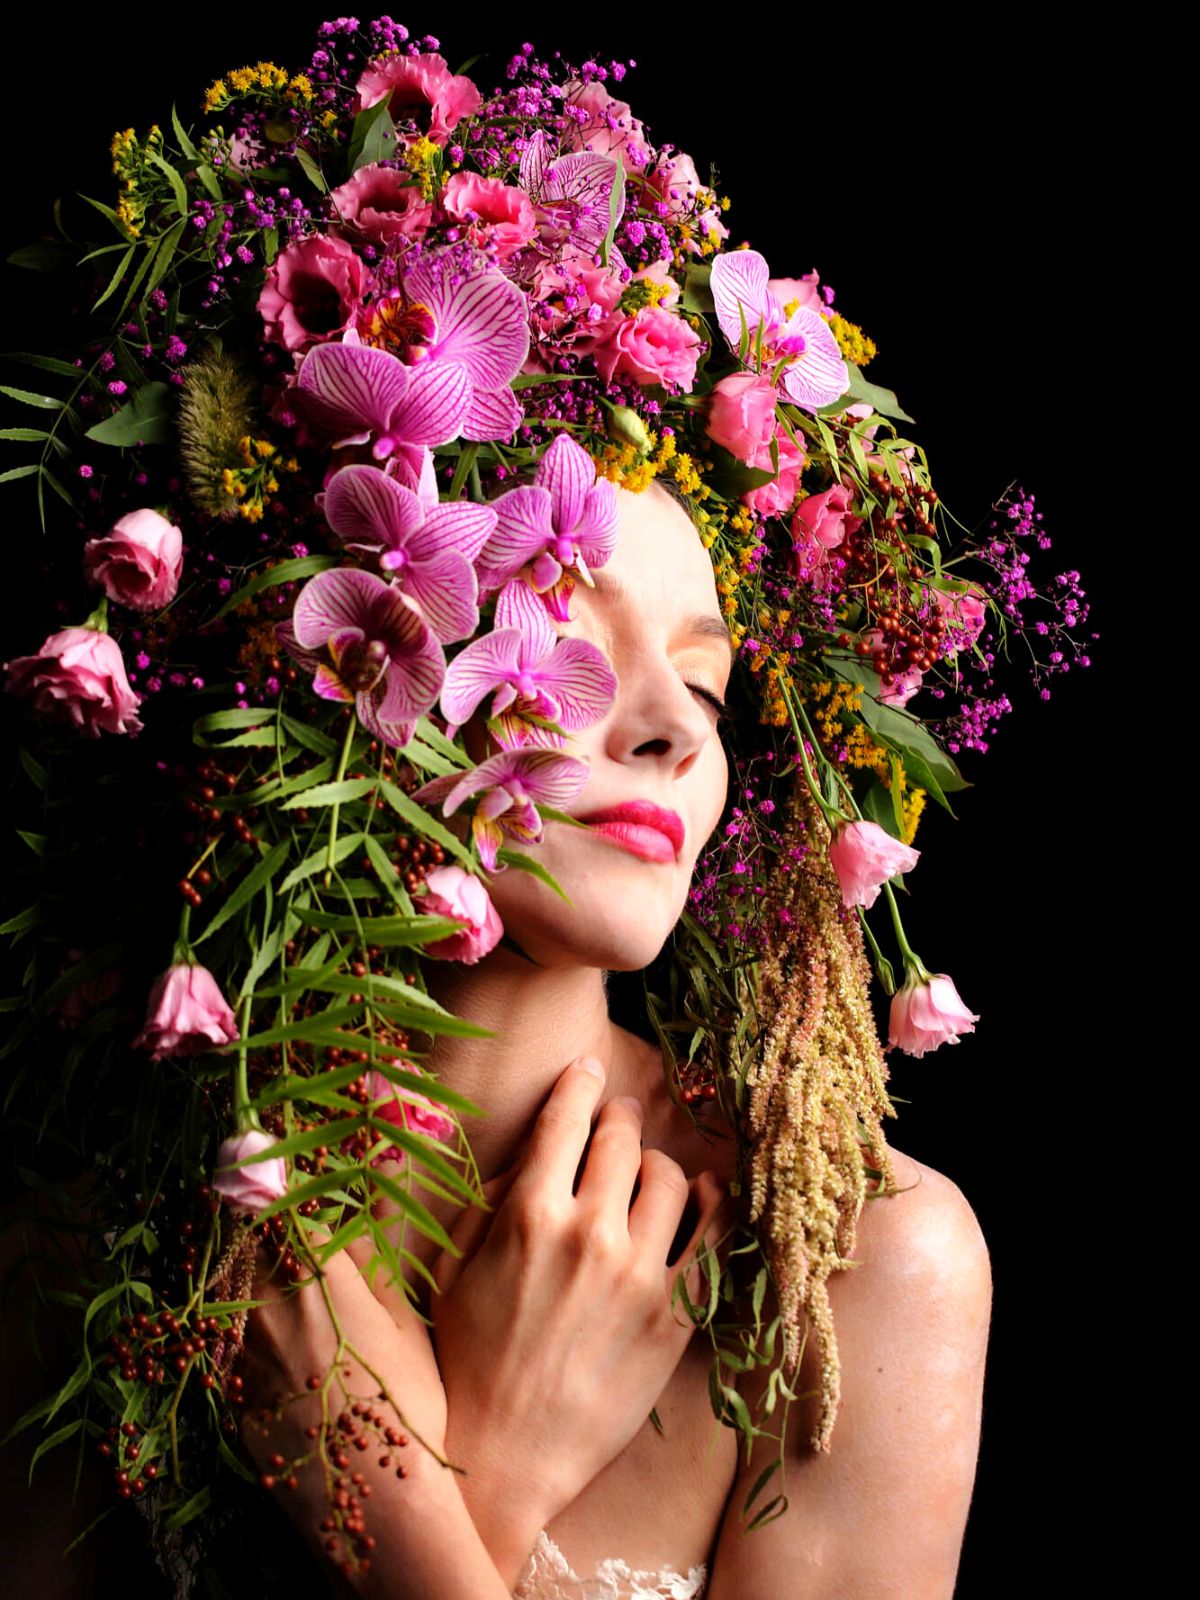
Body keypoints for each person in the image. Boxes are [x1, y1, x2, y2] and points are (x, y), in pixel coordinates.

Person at [238, 479, 993, 1599]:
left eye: (705, 683)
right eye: (566, 633)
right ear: (344, 659)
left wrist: (427, 1510)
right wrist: (493, 1472)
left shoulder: (849, 1265)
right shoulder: (140, 1221)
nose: (679, 727)